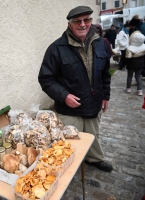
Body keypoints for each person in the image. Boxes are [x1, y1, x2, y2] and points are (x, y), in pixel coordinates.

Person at [38, 6, 113, 172]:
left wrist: (105, 96)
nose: (83, 24)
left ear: (91, 22)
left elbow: (105, 74)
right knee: (71, 142)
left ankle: (94, 159)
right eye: (77, 21)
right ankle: (70, 168)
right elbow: (45, 79)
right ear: (69, 24)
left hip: (94, 102)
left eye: (86, 20)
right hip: (70, 108)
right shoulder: (56, 48)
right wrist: (64, 96)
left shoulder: (100, 44)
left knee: (93, 135)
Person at [125, 31, 145, 96]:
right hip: (140, 63)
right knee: (138, 76)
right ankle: (139, 90)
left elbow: (128, 58)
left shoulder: (130, 48)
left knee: (130, 76)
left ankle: (128, 88)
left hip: (131, 64)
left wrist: (127, 64)